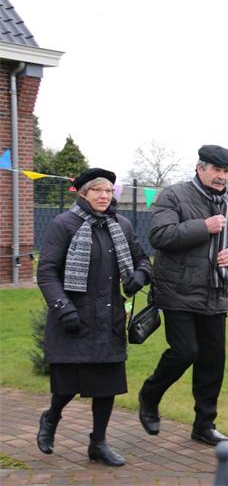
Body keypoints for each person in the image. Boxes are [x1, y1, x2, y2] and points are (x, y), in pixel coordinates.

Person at [36, 168, 152, 466]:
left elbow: (142, 259)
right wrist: (63, 308)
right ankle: (51, 418)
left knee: (106, 387)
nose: (104, 196)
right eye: (97, 190)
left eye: (108, 191)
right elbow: (46, 272)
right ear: (83, 193)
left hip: (109, 318)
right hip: (73, 318)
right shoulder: (64, 224)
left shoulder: (121, 225)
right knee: (67, 385)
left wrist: (140, 274)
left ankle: (98, 444)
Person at [138, 145, 228, 445]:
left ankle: (204, 425)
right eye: (216, 169)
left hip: (216, 291)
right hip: (178, 290)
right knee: (185, 352)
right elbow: (159, 236)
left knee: (212, 362)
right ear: (200, 168)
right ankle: (149, 395)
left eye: (225, 171)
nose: (221, 176)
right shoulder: (174, 195)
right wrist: (203, 226)